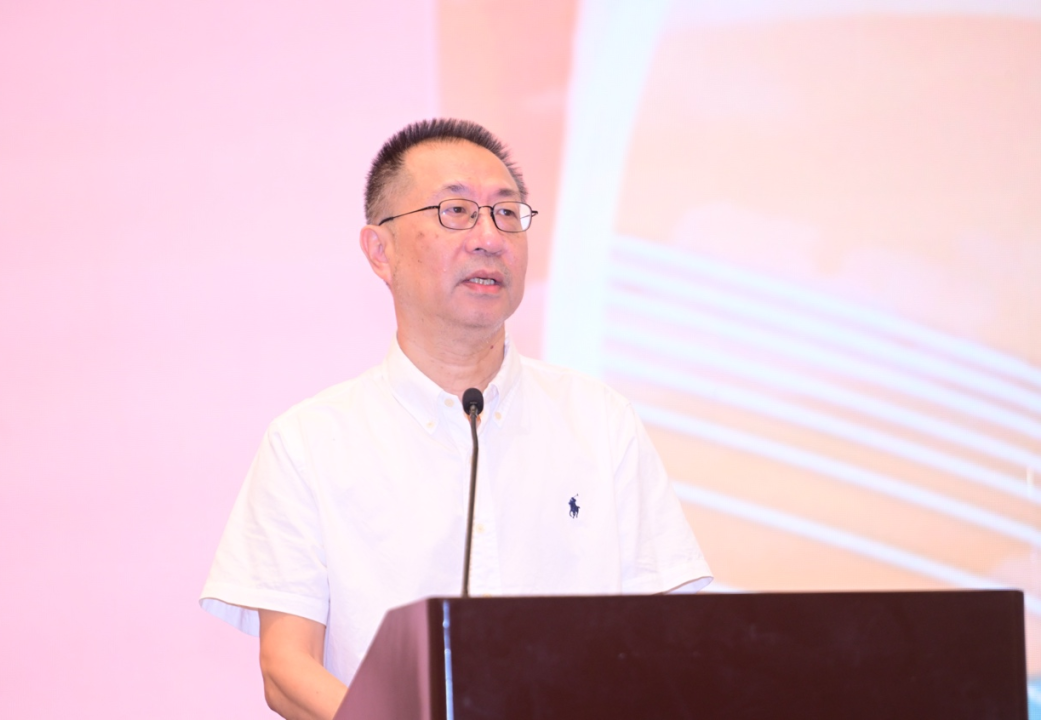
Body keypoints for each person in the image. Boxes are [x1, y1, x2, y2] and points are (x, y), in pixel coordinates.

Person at [200, 118, 711, 720]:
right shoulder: (309, 443)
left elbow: (670, 639)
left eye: (507, 213)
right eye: (456, 212)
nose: (489, 237)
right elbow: (287, 670)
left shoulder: (599, 421)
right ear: (381, 251)